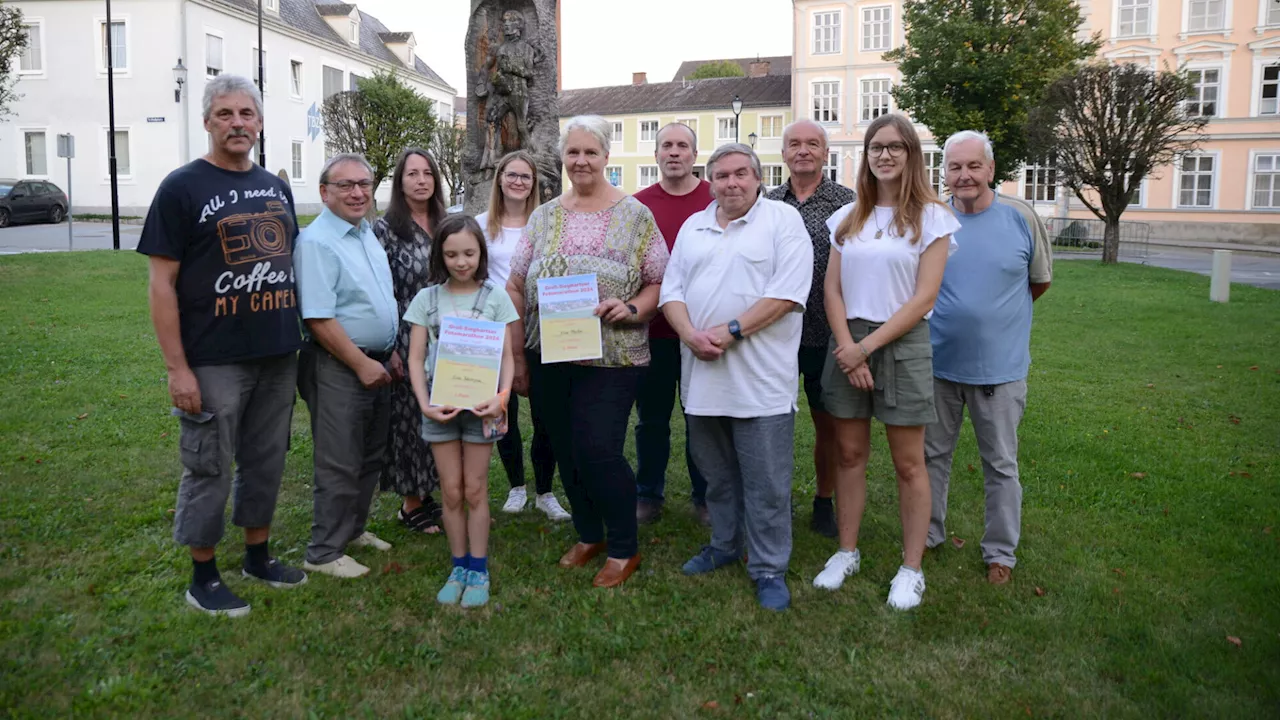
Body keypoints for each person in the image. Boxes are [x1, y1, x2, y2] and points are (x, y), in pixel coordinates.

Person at [139, 75, 306, 617]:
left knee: (265, 459)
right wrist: (177, 368)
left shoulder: (274, 187)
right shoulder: (181, 187)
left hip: (277, 350)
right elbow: (162, 283)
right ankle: (203, 575)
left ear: (259, 123)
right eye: (226, 114)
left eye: (247, 114)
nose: (238, 123)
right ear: (208, 121)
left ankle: (258, 554)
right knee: (209, 463)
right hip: (214, 357)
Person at [507, 115, 668, 589]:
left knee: (599, 450)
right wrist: (517, 355)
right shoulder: (545, 215)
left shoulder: (634, 214)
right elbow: (516, 285)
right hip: (550, 356)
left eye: (590, 152)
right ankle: (588, 533)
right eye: (572, 152)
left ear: (606, 157)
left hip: (614, 358)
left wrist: (634, 307)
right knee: (565, 449)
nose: (581, 161)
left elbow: (660, 280)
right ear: (563, 158)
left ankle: (623, 547)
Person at [813, 113, 960, 611]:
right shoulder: (848, 217)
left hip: (901, 342)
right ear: (866, 155)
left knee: (908, 462)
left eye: (896, 146)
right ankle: (846, 551)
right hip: (847, 341)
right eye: (877, 147)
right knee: (849, 454)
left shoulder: (933, 218)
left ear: (912, 154)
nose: (885, 155)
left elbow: (924, 298)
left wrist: (867, 349)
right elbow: (831, 289)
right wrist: (847, 346)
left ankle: (911, 568)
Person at [660, 143, 813, 612]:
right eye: (722, 175)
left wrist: (727, 333)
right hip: (702, 378)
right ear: (710, 181)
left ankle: (768, 568)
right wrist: (689, 335)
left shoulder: (782, 222)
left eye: (741, 173)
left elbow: (787, 295)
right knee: (718, 476)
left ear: (758, 178)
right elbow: (672, 290)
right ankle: (724, 544)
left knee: (767, 483)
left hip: (761, 382)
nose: (731, 182)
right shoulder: (694, 226)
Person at [925, 130, 1053, 585]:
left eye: (973, 166)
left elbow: (1038, 282)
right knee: (931, 457)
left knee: (1000, 464)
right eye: (955, 167)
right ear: (945, 173)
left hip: (999, 371)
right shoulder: (934, 218)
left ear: (991, 169)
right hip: (937, 365)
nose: (964, 176)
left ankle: (1000, 552)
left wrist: (993, 322)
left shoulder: (1020, 216)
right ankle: (928, 534)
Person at [404, 214, 518, 608]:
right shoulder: (427, 300)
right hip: (440, 406)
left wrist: (502, 397)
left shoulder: (495, 297)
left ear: (481, 253)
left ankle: (479, 569)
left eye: (469, 253)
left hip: (483, 408)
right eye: (451, 254)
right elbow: (416, 358)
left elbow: (507, 356)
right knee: (450, 492)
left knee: (475, 489)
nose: (461, 262)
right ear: (440, 256)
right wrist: (424, 404)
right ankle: (458, 565)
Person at [294, 153, 398, 579]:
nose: (358, 193)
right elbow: (318, 317)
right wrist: (360, 363)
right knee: (339, 458)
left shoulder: (365, 232)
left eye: (364, 184)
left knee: (369, 454)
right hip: (339, 365)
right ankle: (323, 551)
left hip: (376, 362)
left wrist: (386, 351)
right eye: (345, 185)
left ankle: (353, 530)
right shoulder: (318, 241)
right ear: (324, 192)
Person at [765, 119, 856, 539]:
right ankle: (772, 497)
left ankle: (824, 500)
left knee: (828, 424)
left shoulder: (849, 203)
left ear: (825, 153)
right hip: (773, 334)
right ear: (783, 153)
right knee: (769, 421)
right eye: (795, 144)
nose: (803, 150)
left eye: (813, 144)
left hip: (826, 334)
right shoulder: (764, 202)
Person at [477, 150, 570, 522]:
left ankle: (546, 491)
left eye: (525, 177)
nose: (518, 181)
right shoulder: (481, 225)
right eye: (511, 175)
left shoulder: (547, 224)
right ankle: (516, 486)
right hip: (493, 330)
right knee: (503, 413)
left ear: (535, 184)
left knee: (546, 412)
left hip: (541, 327)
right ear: (499, 179)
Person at [632, 122, 714, 527]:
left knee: (701, 417)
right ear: (657, 155)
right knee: (652, 420)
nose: (674, 152)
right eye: (667, 145)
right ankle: (648, 493)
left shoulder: (715, 197)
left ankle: (706, 496)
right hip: (654, 333)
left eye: (683, 145)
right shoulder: (638, 205)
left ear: (694, 155)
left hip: (703, 331)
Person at [373, 148, 447, 537]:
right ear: (400, 182)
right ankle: (410, 502)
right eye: (412, 174)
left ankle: (428, 488)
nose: (421, 180)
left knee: (443, 411)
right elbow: (380, 289)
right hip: (407, 333)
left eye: (427, 173)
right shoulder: (385, 230)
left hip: (449, 335)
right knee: (410, 419)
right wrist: (392, 348)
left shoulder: (446, 223)